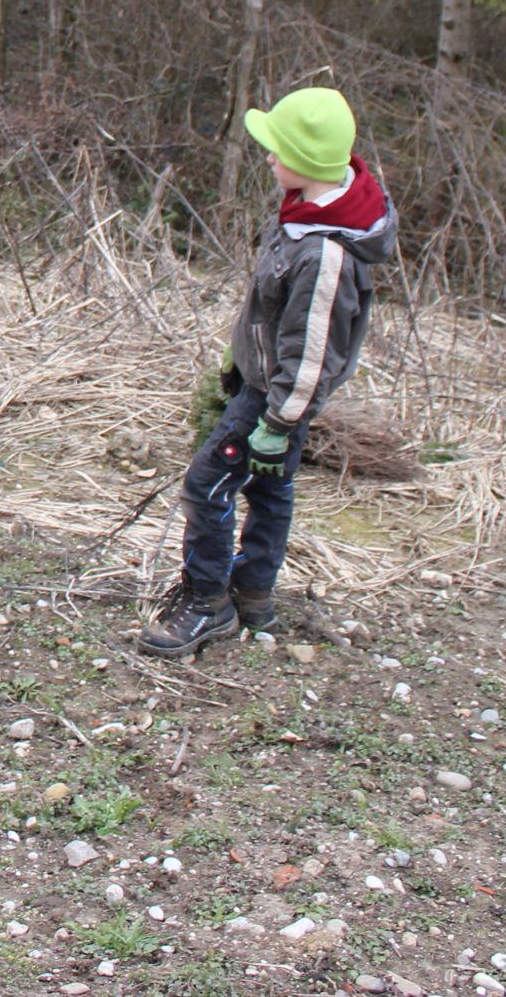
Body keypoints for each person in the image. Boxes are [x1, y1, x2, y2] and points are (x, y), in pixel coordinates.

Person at [142, 86, 396, 659]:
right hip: (268, 390)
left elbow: (312, 350)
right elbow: (276, 316)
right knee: (269, 488)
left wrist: (278, 421)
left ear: (306, 161)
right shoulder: (306, 214)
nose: (268, 158)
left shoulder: (325, 253)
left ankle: (207, 603)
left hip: (278, 401)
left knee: (205, 487)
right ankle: (254, 593)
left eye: (277, 149)